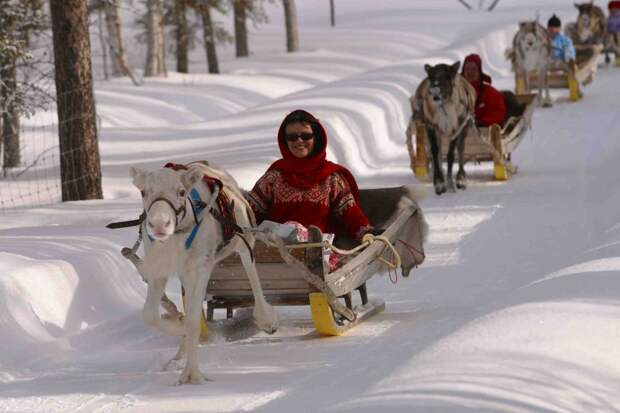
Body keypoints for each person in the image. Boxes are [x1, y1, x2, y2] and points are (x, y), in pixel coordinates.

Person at [247, 109, 374, 246]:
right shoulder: (274, 177)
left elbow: (350, 214)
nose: (299, 141)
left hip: (319, 255)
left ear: (316, 138)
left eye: (306, 136)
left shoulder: (332, 179)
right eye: (292, 137)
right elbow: (249, 212)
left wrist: (365, 234)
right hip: (277, 256)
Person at [461, 53, 506, 127]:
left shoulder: (490, 93)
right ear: (463, 72)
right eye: (467, 69)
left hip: (484, 131)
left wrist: (482, 122)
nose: (470, 72)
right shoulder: (455, 92)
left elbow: (498, 111)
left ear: (479, 72)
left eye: (474, 69)